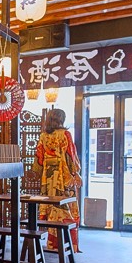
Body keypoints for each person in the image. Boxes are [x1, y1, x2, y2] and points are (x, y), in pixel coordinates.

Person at [34, 108, 82, 252]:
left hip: (48, 177)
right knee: (67, 207)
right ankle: (67, 244)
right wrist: (76, 173)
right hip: (63, 175)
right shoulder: (65, 134)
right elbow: (70, 156)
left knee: (52, 207)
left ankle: (52, 243)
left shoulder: (43, 136)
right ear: (61, 119)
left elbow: (39, 158)